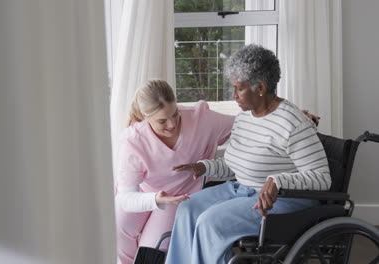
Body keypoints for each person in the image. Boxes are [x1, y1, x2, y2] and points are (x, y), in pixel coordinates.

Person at [165, 44, 331, 264]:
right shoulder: (244, 117)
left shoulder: (293, 123)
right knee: (187, 208)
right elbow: (235, 165)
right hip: (241, 189)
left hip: (283, 200)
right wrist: (205, 166)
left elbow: (322, 178)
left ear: (260, 87)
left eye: (238, 88)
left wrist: (277, 181)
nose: (233, 95)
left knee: (209, 222)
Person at [115, 80, 235, 264]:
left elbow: (244, 124)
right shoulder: (133, 140)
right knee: (117, 228)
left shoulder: (200, 120)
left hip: (179, 198)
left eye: (175, 114)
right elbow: (126, 197)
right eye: (162, 121)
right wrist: (155, 199)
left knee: (151, 253)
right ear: (145, 116)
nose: (171, 124)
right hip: (144, 195)